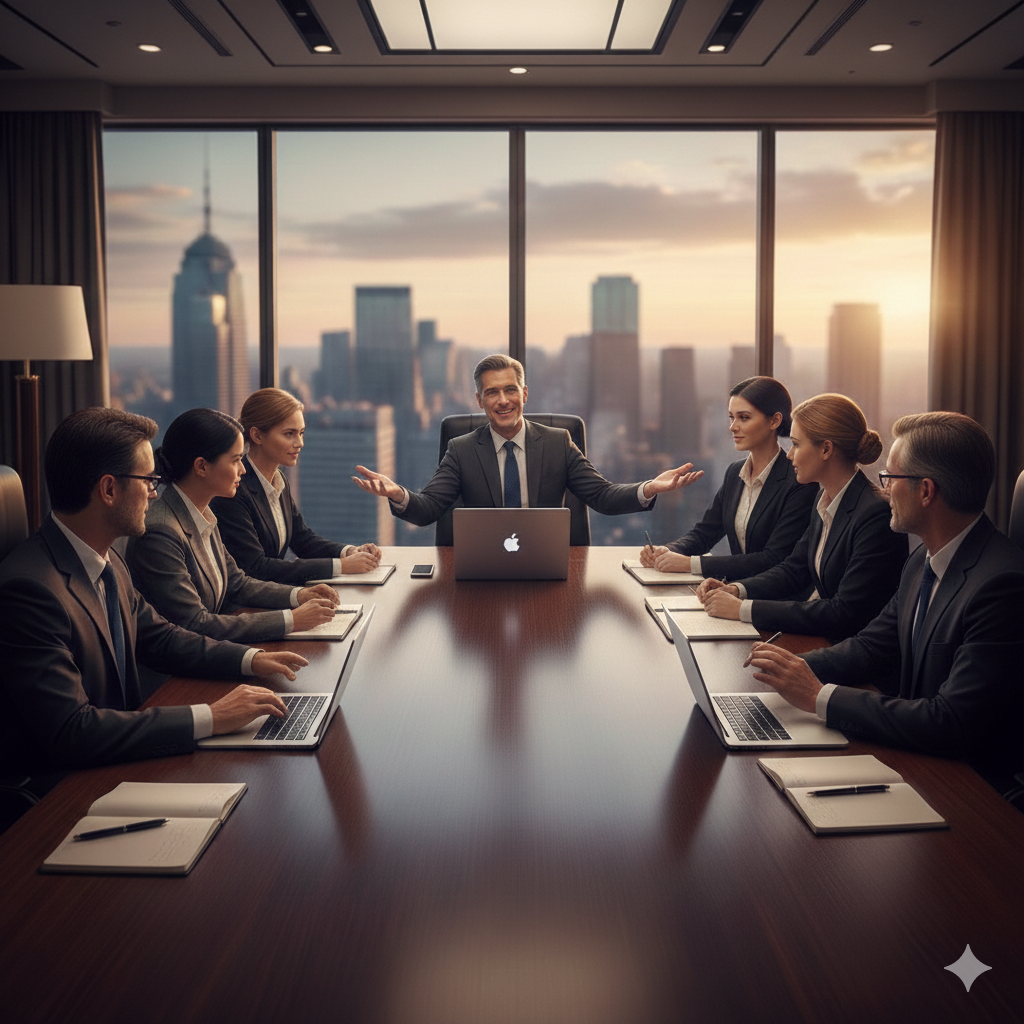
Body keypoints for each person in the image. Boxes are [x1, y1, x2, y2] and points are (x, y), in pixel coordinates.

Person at [0, 407, 308, 778]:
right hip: (62, 796)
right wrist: (212, 717)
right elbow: (72, 731)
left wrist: (250, 660)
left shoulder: (106, 556)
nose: (154, 491)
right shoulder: (31, 591)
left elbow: (161, 638)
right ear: (109, 489)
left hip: (124, 759)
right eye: (148, 479)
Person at [746, 411, 1024, 788]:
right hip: (912, 759)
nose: (883, 489)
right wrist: (789, 668)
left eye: (890, 478)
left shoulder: (1001, 585)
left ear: (926, 491)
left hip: (968, 790)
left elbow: (950, 722)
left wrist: (818, 696)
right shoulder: (921, 560)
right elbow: (872, 647)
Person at [352, 353, 700, 527]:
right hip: (483, 575)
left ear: (525, 393)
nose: (502, 400)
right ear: (479, 401)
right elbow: (428, 508)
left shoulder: (558, 442)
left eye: (509, 390)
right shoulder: (460, 450)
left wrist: (650, 488)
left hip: (548, 571)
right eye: (492, 393)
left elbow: (603, 496)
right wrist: (398, 495)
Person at [697, 393, 907, 640]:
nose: (789, 455)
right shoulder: (823, 499)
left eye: (796, 444)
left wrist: (743, 609)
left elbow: (844, 612)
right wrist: (736, 590)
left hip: (857, 662)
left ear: (826, 449)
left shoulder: (874, 515)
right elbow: (794, 570)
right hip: (826, 642)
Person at [126, 408, 340, 643]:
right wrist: (291, 620)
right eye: (236, 460)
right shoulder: (161, 532)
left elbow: (237, 583)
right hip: (174, 675)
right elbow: (195, 623)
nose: (243, 469)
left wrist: (299, 595)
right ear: (201, 466)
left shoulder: (201, 511)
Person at [639, 376, 816, 579]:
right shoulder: (735, 473)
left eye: (744, 418)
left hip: (774, 602)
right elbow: (705, 533)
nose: (733, 427)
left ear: (775, 421)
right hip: (733, 592)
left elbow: (773, 558)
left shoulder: (799, 483)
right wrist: (668, 551)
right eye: (731, 417)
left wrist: (691, 564)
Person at [211, 388, 381, 586]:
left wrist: (349, 551)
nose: (299, 443)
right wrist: (341, 566)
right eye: (289, 434)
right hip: (246, 605)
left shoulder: (278, 479)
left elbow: (302, 539)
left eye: (301, 433)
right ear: (257, 436)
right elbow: (256, 568)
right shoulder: (235, 490)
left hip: (273, 594)